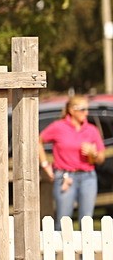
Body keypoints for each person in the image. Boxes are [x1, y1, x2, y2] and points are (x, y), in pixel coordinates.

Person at [39, 95, 106, 227]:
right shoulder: (58, 127)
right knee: (63, 220)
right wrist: (45, 164)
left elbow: (101, 159)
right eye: (82, 109)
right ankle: (60, 248)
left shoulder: (92, 130)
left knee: (86, 220)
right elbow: (38, 140)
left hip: (88, 177)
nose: (86, 112)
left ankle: (85, 248)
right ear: (71, 110)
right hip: (65, 177)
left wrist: (94, 153)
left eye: (87, 109)